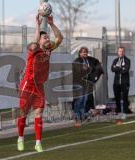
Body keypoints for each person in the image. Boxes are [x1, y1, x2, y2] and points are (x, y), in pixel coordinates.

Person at [17, 14, 63, 152]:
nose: (48, 38)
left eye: (48, 37)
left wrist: (51, 24)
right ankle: (20, 138)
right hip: (28, 86)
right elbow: (36, 40)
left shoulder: (48, 50)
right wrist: (37, 24)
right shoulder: (34, 50)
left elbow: (60, 38)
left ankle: (38, 143)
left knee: (38, 114)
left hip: (40, 87)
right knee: (23, 114)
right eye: (45, 37)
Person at [72, 47, 103, 126]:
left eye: (86, 52)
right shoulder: (77, 61)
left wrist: (98, 64)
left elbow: (96, 62)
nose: (85, 53)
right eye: (83, 52)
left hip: (87, 83)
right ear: (80, 53)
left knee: (84, 100)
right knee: (79, 100)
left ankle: (82, 116)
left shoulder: (89, 59)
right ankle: (76, 117)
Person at [111, 47, 132, 114]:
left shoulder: (127, 60)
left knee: (125, 97)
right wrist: (120, 68)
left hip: (124, 82)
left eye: (122, 51)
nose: (121, 52)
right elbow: (112, 69)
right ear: (118, 52)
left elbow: (126, 70)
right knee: (117, 97)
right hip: (116, 82)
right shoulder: (115, 60)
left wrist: (117, 68)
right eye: (120, 51)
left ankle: (126, 110)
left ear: (124, 52)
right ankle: (118, 110)